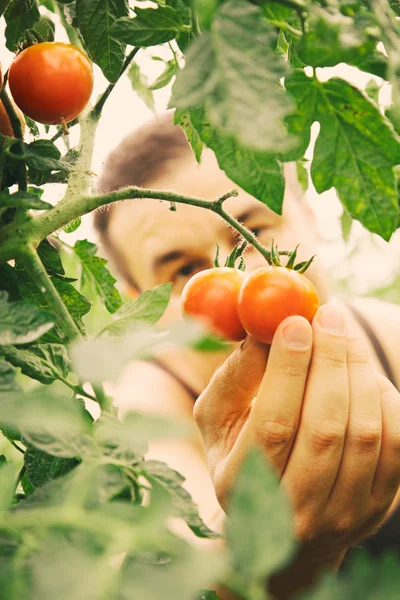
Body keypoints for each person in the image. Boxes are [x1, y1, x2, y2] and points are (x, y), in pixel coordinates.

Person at [95, 114, 400, 599]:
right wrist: (271, 550)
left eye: (251, 229)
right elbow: (190, 567)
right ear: (141, 302)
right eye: (186, 269)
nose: (243, 285)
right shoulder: (149, 405)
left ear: (309, 216)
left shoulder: (388, 336)